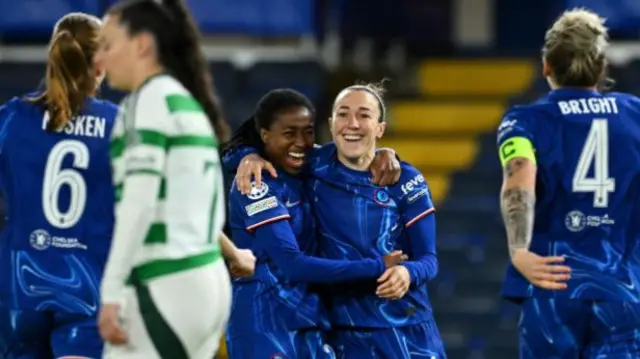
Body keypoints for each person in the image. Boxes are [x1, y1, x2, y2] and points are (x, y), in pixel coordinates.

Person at [226, 82, 446, 358]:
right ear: (331, 124)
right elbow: (262, 145)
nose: (352, 123)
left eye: (364, 115)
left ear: (380, 128)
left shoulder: (405, 179)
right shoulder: (313, 165)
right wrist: (248, 156)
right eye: (343, 114)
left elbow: (429, 259)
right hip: (345, 333)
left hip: (407, 326)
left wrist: (407, 272)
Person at [94, 0, 235, 358]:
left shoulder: (146, 103)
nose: (101, 59)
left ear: (141, 45)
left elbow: (139, 203)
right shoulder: (185, 104)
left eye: (108, 45)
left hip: (165, 283)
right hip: (205, 281)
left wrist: (111, 290)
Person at [497, 8, 640, 358]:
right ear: (602, 66)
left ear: (546, 65)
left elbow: (520, 182)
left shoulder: (524, 121)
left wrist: (518, 252)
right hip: (625, 289)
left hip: (552, 285)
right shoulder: (637, 114)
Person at [0, 13, 118, 359]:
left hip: (18, 288)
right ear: (100, 64)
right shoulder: (119, 125)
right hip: (87, 289)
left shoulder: (11, 118)